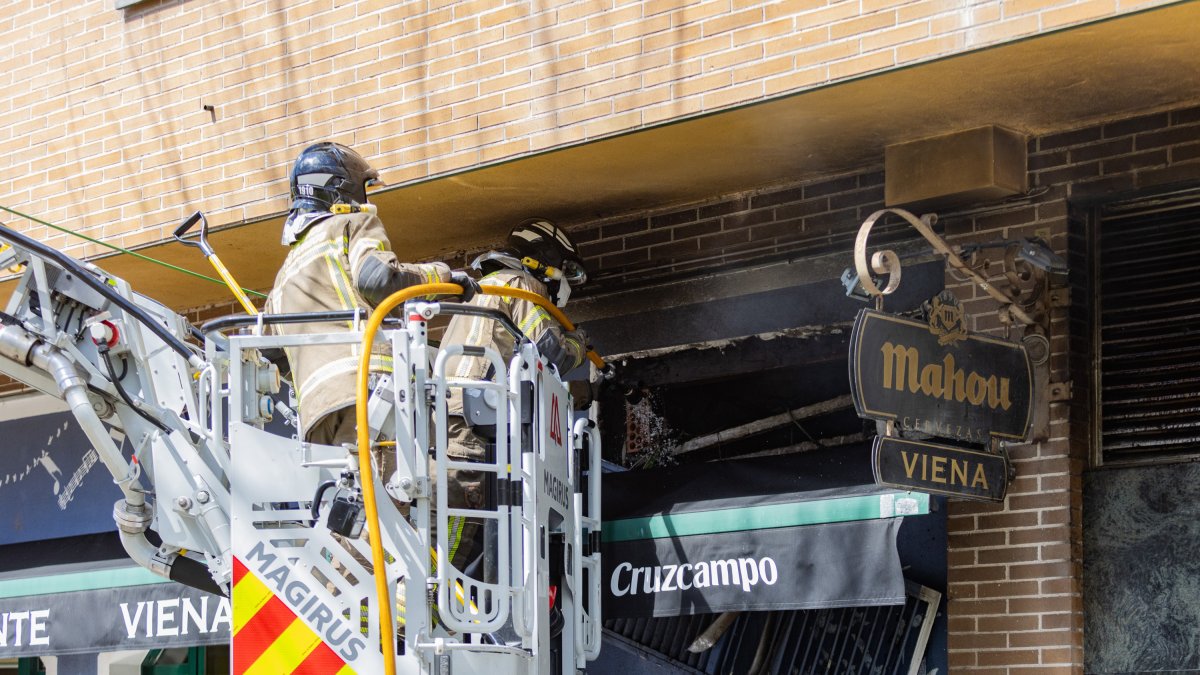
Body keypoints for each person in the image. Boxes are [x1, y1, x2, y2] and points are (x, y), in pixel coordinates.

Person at [265, 141, 478, 449]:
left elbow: (270, 353)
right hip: (370, 395)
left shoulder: (284, 276)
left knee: (345, 482)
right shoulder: (350, 223)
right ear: (343, 189)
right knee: (389, 481)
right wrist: (443, 276)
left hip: (317, 415)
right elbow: (378, 279)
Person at [436, 219, 589, 578]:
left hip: (451, 416)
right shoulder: (521, 285)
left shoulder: (486, 288)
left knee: (456, 531)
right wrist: (580, 343)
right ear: (546, 264)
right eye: (566, 273)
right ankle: (427, 602)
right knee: (452, 542)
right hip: (471, 425)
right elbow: (555, 352)